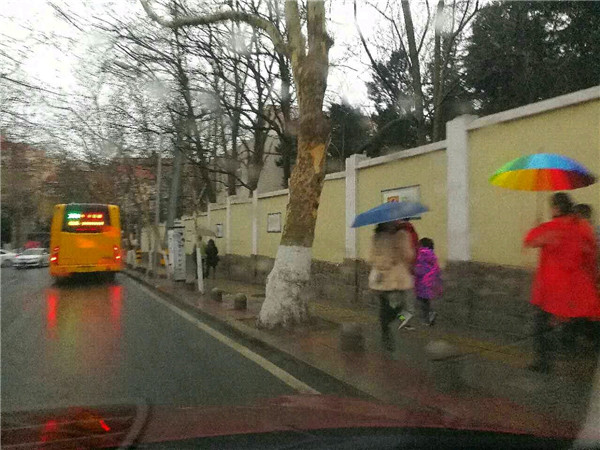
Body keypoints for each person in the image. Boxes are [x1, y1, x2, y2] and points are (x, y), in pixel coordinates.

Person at [523, 192, 600, 373]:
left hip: (553, 288)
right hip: (579, 287)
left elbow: (529, 241)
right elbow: (591, 254)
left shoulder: (550, 228)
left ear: (556, 208)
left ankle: (543, 362)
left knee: (541, 324)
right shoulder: (582, 228)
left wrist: (538, 226)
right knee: (588, 319)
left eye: (552, 207)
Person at [368, 221, 416, 348]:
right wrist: (385, 262)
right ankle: (387, 330)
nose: (393, 224)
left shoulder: (399, 236)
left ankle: (387, 329)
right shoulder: (388, 237)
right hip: (388, 278)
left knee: (392, 306)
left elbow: (409, 255)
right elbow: (371, 257)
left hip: (390, 278)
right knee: (391, 306)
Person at [414, 238, 442, 326]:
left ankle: (427, 317)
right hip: (430, 282)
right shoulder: (432, 256)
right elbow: (437, 269)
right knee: (426, 300)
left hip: (422, 282)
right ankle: (429, 316)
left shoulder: (421, 255)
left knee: (422, 301)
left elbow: (419, 269)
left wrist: (414, 271)